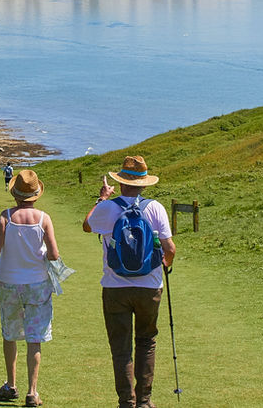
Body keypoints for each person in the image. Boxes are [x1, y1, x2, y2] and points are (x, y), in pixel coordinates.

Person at [83, 155, 176, 408]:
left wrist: (102, 198)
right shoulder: (155, 208)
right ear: (144, 184)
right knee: (146, 341)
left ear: (120, 182)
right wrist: (165, 264)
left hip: (115, 287)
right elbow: (170, 248)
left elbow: (86, 226)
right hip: (149, 286)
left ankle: (127, 402)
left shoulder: (108, 207)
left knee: (120, 347)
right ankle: (144, 401)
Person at [0, 170, 60, 407]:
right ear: (36, 195)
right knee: (35, 338)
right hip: (37, 283)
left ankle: (11, 385)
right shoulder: (44, 218)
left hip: (9, 283)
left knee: (10, 334)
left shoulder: (6, 217)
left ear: (15, 194)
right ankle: (32, 392)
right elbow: (54, 254)